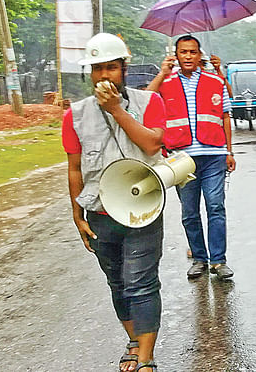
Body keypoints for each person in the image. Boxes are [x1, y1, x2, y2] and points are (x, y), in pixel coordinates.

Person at [63, 33, 166, 372]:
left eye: (111, 67)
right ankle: (134, 342)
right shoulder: (74, 115)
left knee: (141, 281)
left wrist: (116, 110)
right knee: (118, 282)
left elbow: (152, 144)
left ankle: (146, 358)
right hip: (101, 213)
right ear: (88, 73)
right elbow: (75, 168)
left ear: (124, 68)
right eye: (97, 69)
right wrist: (78, 216)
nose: (104, 76)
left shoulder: (149, 103)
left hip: (142, 210)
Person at [147, 35, 236, 280]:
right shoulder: (166, 82)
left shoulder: (214, 81)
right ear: (176, 55)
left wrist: (229, 151)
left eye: (193, 52)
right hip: (181, 159)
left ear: (200, 56)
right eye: (183, 52)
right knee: (189, 212)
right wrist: (161, 74)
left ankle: (219, 260)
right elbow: (145, 102)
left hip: (214, 155)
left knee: (216, 206)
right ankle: (199, 258)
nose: (188, 56)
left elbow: (226, 116)